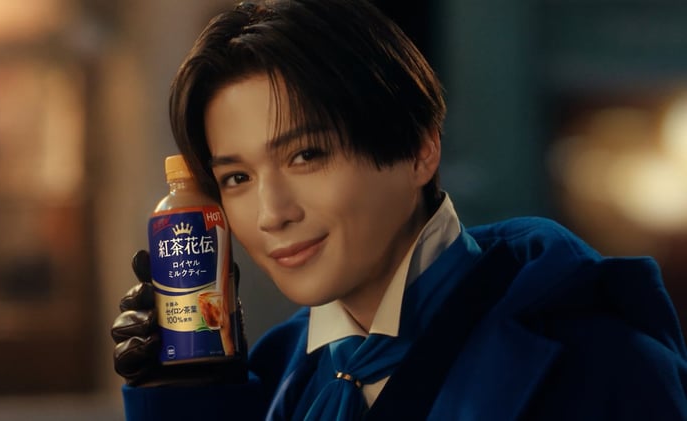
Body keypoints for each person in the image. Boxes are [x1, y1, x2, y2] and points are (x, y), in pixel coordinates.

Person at [111, 0, 687, 419]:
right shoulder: (279, 376)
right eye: (237, 177)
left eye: (306, 155)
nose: (271, 213)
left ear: (419, 149)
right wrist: (187, 400)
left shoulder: (597, 359)